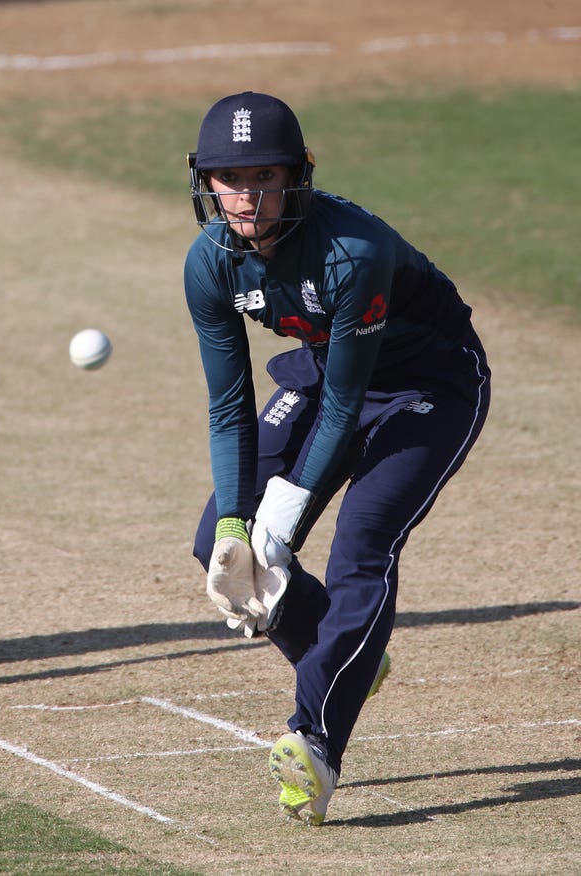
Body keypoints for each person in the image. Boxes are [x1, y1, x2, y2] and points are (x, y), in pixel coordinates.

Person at [184, 91, 491, 825]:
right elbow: (229, 408)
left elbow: (349, 408)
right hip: (330, 373)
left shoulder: (352, 252)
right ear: (206, 183)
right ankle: (351, 655)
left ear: (297, 177)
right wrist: (236, 523)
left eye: (264, 176)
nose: (246, 195)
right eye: (230, 178)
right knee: (216, 546)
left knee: (361, 548)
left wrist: (281, 519)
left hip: (429, 383)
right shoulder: (211, 264)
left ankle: (315, 743)